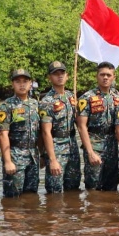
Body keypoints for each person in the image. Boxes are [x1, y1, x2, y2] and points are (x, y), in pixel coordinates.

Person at [76, 62, 119, 191]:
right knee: (93, 187)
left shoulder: (118, 97)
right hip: (94, 145)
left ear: (114, 77)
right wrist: (90, 152)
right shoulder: (87, 98)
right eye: (102, 74)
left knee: (111, 187)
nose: (105, 77)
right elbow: (81, 126)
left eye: (109, 75)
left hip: (112, 147)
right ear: (97, 76)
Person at [0, 68, 41, 197]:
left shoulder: (35, 104)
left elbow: (40, 132)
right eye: (18, 81)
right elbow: (3, 134)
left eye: (25, 81)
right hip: (15, 155)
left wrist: (42, 154)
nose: (22, 84)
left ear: (30, 83)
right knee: (13, 198)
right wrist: (8, 161)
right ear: (13, 84)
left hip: (33, 156)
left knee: (32, 196)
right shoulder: (6, 106)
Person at [40, 61, 81, 192]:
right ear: (49, 78)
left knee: (73, 187)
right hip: (56, 147)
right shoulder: (47, 101)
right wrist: (52, 159)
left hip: (72, 146)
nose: (60, 76)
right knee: (54, 189)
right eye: (55, 74)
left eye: (62, 73)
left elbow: (79, 123)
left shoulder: (71, 97)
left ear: (67, 75)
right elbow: (46, 132)